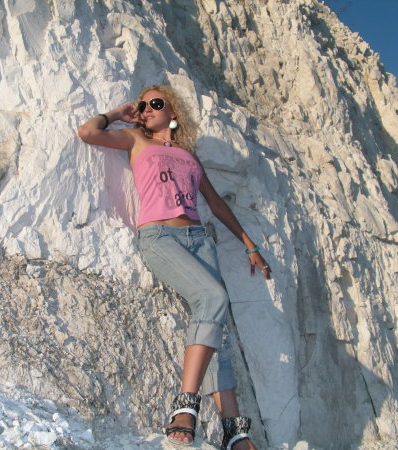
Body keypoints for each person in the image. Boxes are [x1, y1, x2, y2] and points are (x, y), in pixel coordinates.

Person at [78, 85, 271, 450]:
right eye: (143, 104)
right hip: (160, 237)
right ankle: (185, 405)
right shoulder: (136, 139)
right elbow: (88, 132)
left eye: (156, 103)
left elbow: (215, 203)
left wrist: (250, 245)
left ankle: (234, 431)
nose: (147, 108)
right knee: (213, 298)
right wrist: (120, 113)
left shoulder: (188, 155)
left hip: (199, 239)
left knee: (216, 331)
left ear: (173, 113)